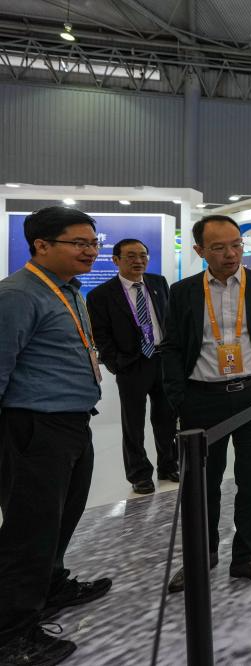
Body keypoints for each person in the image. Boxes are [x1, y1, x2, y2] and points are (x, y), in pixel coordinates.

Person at [0, 207, 112, 666]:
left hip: (71, 422)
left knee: (61, 516)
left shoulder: (68, 290)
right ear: (41, 245)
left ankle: (50, 586)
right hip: (34, 428)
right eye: (79, 243)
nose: (90, 251)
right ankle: (11, 635)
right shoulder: (17, 295)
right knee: (29, 530)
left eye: (93, 243)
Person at [161, 215, 251, 592]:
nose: (231, 253)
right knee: (201, 485)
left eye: (236, 245)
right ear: (200, 250)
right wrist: (179, 396)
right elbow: (171, 346)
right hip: (201, 399)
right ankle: (201, 557)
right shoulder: (183, 291)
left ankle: (247, 556)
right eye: (219, 247)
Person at [87, 239, 177, 495]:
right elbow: (101, 335)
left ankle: (169, 465)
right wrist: (116, 363)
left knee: (166, 418)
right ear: (116, 260)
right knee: (133, 424)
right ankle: (139, 474)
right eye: (131, 256)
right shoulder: (101, 295)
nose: (139, 261)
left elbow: (168, 319)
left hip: (162, 360)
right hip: (132, 365)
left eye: (143, 255)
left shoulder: (158, 283)